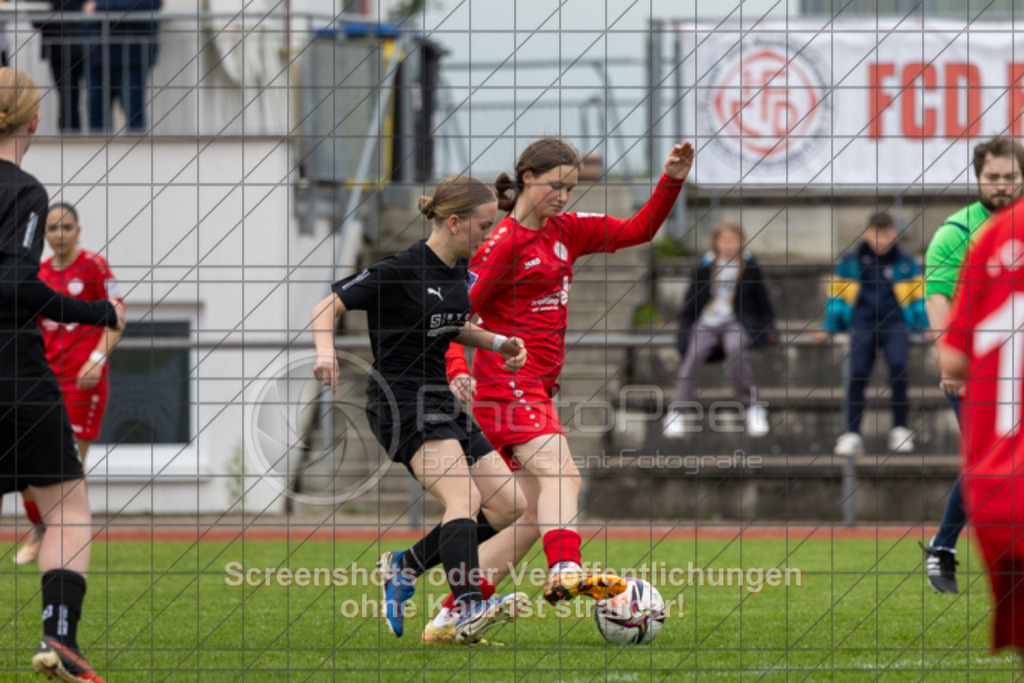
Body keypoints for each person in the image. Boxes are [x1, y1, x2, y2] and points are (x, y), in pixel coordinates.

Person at [444, 137, 695, 605]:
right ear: (527, 178)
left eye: (571, 189)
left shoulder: (568, 230)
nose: (563, 197)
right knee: (564, 475)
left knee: (531, 514)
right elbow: (453, 318)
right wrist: (458, 367)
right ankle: (565, 570)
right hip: (506, 383)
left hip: (535, 388)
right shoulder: (501, 244)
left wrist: (672, 180)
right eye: (556, 186)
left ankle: (456, 608)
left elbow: (640, 230)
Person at [310, 174, 530, 645]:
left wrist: (499, 342)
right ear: (454, 222)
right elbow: (326, 307)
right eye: (483, 226)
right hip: (400, 401)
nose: (488, 234)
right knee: (464, 499)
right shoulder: (400, 269)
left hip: (438, 398)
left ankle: (404, 566)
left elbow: (449, 326)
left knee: (509, 503)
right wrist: (326, 352)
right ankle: (468, 605)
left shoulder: (458, 272)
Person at [0, 67, 123, 682]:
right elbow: (16, 285)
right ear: (35, 120)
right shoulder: (23, 190)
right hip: (14, 371)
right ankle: (59, 638)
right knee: (69, 507)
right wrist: (96, 314)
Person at [922, 136, 1024, 594]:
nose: (1001, 185)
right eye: (992, 177)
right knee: (988, 461)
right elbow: (938, 299)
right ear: (978, 178)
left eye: (1010, 177)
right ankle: (943, 547)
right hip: (978, 370)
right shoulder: (956, 233)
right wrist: (951, 362)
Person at [14, 202, 123, 565]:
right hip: (43, 381)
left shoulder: (94, 266)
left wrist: (97, 360)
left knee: (68, 467)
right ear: (43, 235)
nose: (59, 235)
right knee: (26, 470)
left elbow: (117, 317)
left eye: (66, 227)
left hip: (82, 381)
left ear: (78, 230)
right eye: (52, 229)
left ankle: (70, 540)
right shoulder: (38, 273)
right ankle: (41, 529)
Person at [938, 196, 1024, 654]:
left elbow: (952, 356)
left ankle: (942, 545)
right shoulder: (969, 232)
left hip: (1000, 491)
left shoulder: (993, 236)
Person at [818, 212, 927, 456]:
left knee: (898, 368)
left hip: (895, 323)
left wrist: (926, 325)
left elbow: (920, 299)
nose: (883, 240)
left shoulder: (906, 262)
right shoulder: (850, 261)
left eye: (888, 234)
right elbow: (835, 298)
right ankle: (852, 433)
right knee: (857, 374)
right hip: (862, 322)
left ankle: (900, 429)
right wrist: (829, 325)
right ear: (867, 234)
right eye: (878, 235)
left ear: (895, 234)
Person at [663, 218, 777, 438]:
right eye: (724, 240)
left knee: (736, 350)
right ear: (716, 242)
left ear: (741, 242)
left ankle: (752, 407)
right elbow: (690, 305)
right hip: (707, 321)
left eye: (733, 240)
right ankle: (677, 410)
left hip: (735, 321)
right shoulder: (704, 268)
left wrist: (769, 328)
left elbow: (763, 303)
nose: (729, 245)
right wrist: (683, 332)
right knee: (693, 355)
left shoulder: (750, 268)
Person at [83, 0, 161, 132]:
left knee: (134, 113)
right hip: (98, 55)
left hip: (133, 56)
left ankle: (137, 146)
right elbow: (83, 7)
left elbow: (150, 3)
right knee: (96, 113)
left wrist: (100, 7)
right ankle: (98, 147)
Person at [35, 0, 86, 131]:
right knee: (67, 99)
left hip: (84, 44)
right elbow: (36, 18)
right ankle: (70, 137)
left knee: (96, 98)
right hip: (58, 47)